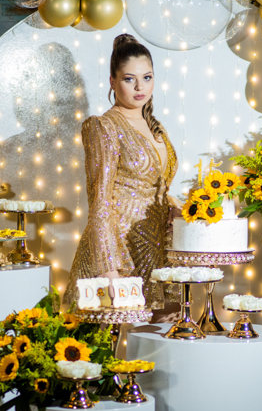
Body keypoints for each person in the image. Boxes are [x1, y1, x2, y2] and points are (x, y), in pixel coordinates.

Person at [64, 34, 180, 310]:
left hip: (159, 251)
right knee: (110, 334)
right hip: (119, 252)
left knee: (164, 332)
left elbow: (154, 186)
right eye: (129, 79)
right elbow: (100, 202)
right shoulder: (103, 127)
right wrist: (108, 269)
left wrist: (175, 207)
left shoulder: (156, 128)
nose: (140, 87)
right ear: (112, 82)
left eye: (147, 77)